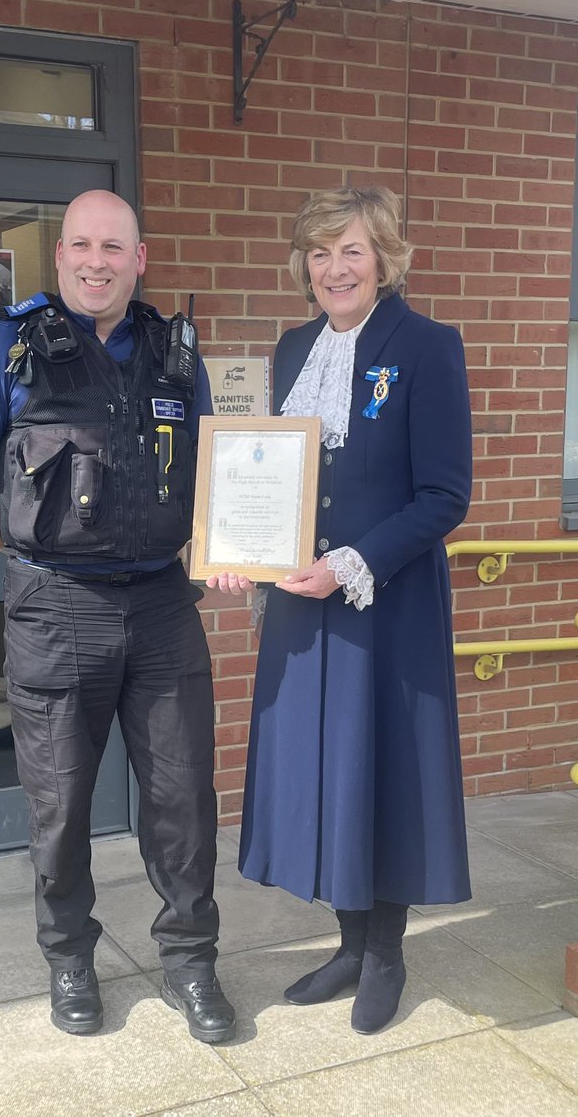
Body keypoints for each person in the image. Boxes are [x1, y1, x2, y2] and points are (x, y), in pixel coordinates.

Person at [0, 190, 236, 1043]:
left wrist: (225, 547)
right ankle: (69, 961)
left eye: (115, 247)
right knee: (60, 806)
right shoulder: (7, 348)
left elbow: (214, 474)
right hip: (56, 607)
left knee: (183, 799)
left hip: (163, 604)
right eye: (83, 246)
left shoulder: (177, 355)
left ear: (140, 260)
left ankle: (191, 962)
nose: (98, 262)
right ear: (60, 256)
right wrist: (21, 550)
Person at [209, 184, 472, 1035]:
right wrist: (243, 553)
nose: (334, 269)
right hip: (302, 604)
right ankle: (350, 944)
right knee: (327, 769)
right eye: (319, 253)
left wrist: (352, 564)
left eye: (351, 250)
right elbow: (276, 477)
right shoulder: (293, 348)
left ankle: (386, 954)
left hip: (383, 602)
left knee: (382, 767)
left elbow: (445, 495)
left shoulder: (428, 346)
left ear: (384, 259)